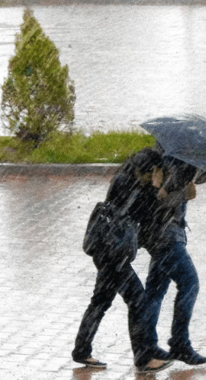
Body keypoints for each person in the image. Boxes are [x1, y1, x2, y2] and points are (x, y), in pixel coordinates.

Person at [72, 147, 174, 374]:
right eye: (154, 171)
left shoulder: (124, 179)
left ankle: (81, 350)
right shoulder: (134, 187)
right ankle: (144, 359)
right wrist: (157, 192)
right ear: (147, 170)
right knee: (137, 300)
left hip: (105, 249)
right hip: (113, 255)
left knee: (100, 301)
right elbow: (147, 216)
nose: (156, 175)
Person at [139, 155, 206, 366]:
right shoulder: (174, 163)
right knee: (189, 283)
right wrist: (183, 195)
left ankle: (147, 346)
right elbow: (160, 202)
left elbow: (199, 179)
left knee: (155, 290)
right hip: (166, 236)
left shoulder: (176, 157)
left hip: (160, 235)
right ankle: (179, 343)